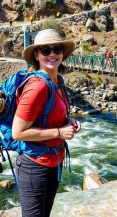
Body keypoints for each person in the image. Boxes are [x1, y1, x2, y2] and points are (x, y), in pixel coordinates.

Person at [13, 29, 81, 217]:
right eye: (45, 50)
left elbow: (50, 115)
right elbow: (17, 133)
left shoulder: (57, 81)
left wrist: (68, 121)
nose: (52, 54)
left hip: (53, 162)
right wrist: (59, 132)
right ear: (36, 55)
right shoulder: (37, 86)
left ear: (62, 53)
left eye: (57, 49)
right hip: (34, 166)